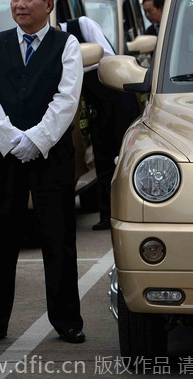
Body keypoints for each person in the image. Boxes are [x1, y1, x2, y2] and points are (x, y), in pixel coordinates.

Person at [0, 0, 86, 345]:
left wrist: (36, 140)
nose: (19, 5)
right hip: (4, 155)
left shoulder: (66, 45)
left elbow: (66, 100)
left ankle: (67, 321)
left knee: (59, 237)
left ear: (48, 5)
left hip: (51, 155)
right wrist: (10, 139)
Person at [58, 15, 141, 230]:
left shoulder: (81, 25)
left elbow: (106, 56)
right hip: (92, 99)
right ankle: (108, 214)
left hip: (113, 92)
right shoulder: (49, 43)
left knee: (123, 153)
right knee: (102, 156)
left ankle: (134, 209)